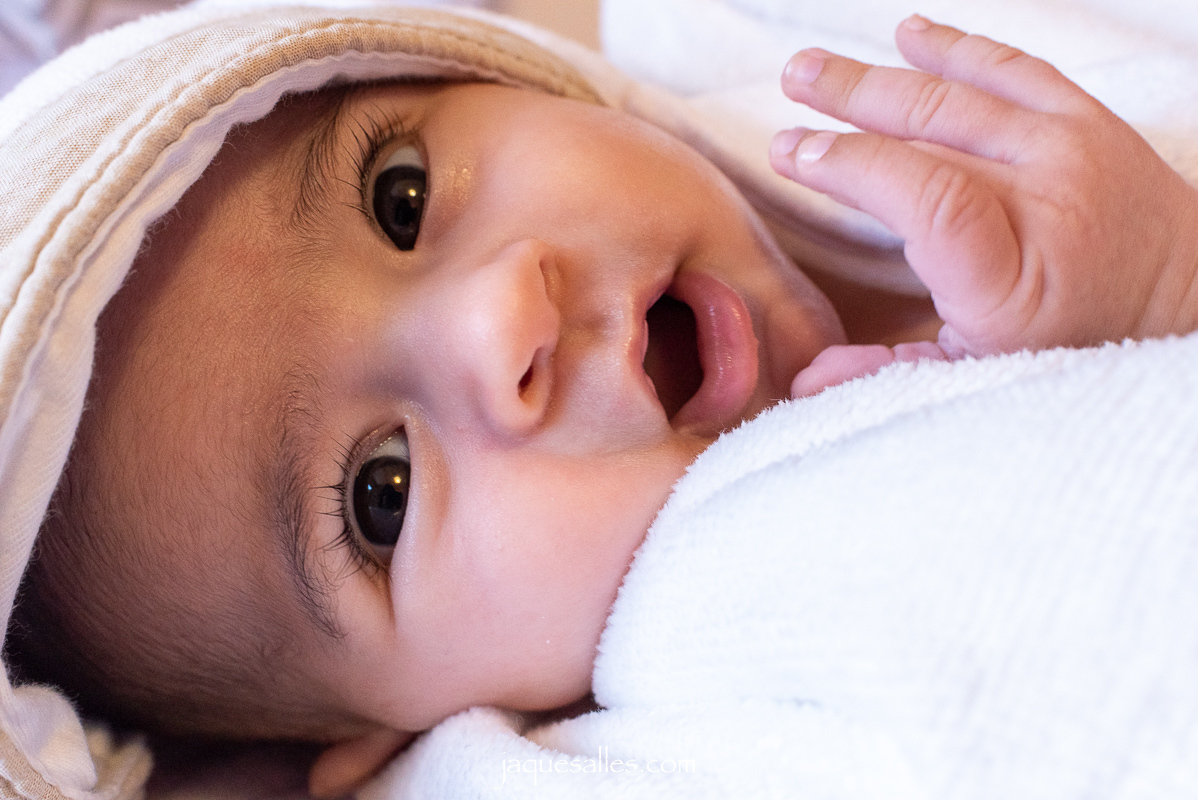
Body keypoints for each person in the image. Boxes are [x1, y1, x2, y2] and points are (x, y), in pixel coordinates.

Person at [6, 7, 1198, 797]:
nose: (496, 322)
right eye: (382, 493)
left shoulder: (798, 40)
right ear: (372, 736)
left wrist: (1165, 269)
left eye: (400, 196)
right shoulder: (646, 728)